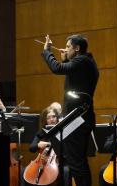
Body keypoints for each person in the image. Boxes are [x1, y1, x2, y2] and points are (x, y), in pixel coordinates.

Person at [41, 34, 99, 186]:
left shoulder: (82, 60)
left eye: (68, 47)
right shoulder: (86, 62)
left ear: (77, 48)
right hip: (81, 117)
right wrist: (67, 59)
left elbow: (57, 68)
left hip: (77, 119)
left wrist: (47, 51)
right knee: (78, 161)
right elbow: (75, 77)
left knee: (76, 163)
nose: (65, 49)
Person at [21, 106, 71, 186]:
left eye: (54, 116)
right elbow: (31, 148)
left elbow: (67, 149)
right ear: (45, 120)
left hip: (60, 162)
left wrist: (52, 144)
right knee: (24, 171)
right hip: (42, 161)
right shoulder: (42, 132)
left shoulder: (62, 131)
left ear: (57, 118)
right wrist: (38, 145)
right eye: (48, 118)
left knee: (66, 171)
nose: (51, 119)